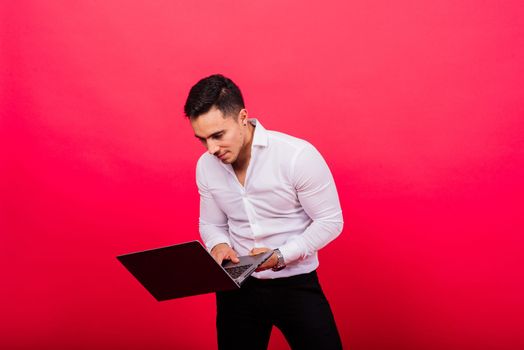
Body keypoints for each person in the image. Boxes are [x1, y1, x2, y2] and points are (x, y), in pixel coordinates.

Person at [184, 74, 344, 350]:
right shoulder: (206, 166)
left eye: (218, 135)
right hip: (236, 288)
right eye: (202, 139)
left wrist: (281, 256)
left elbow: (330, 221)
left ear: (242, 117)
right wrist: (218, 245)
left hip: (296, 285)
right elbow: (211, 224)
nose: (211, 149)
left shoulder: (297, 156)